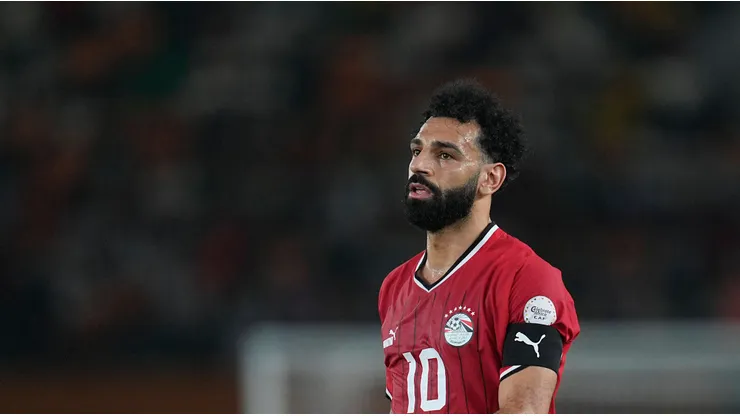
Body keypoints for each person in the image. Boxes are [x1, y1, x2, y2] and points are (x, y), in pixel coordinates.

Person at [378, 79, 580, 414]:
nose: (419, 165)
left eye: (445, 155)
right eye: (417, 151)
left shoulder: (527, 278)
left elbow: (522, 412)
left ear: (490, 179)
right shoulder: (394, 287)